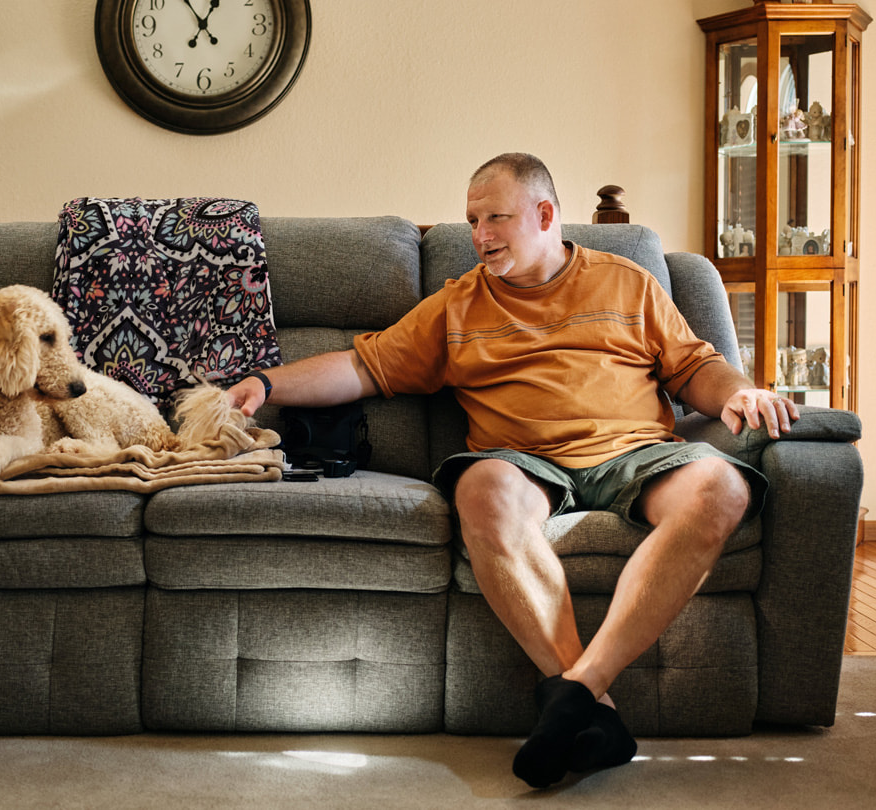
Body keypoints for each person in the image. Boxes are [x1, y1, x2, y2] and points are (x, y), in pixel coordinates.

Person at [226, 153, 800, 789]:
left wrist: (738, 394)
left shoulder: (628, 283)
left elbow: (695, 368)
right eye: (472, 220)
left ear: (545, 214)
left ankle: (577, 694)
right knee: (481, 488)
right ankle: (593, 708)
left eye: (495, 217)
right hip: (522, 463)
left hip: (637, 452)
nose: (479, 235)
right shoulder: (457, 305)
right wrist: (263, 382)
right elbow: (365, 366)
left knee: (721, 487)